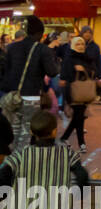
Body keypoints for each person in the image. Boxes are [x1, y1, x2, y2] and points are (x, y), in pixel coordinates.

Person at [3, 16, 59, 153]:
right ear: (39, 33)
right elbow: (52, 72)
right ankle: (21, 166)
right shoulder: (43, 50)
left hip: (13, 97)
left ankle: (9, 166)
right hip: (32, 97)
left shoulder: (12, 48)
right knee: (26, 134)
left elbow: (6, 69)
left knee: (12, 132)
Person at [59, 36, 94, 150]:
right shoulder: (69, 58)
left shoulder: (86, 58)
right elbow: (64, 75)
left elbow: (92, 71)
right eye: (78, 44)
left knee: (78, 117)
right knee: (79, 116)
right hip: (73, 91)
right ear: (73, 45)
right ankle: (81, 143)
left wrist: (84, 70)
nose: (80, 46)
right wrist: (75, 70)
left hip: (84, 91)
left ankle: (64, 138)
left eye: (82, 44)